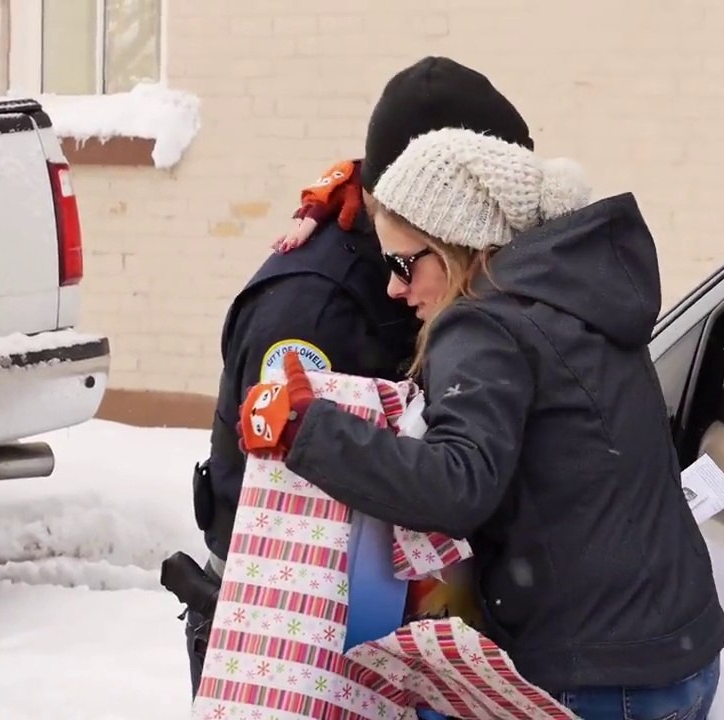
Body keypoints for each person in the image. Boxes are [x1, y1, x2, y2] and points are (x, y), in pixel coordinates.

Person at [237, 127, 724, 719]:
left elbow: (456, 483)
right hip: (676, 651)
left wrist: (308, 431)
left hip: (597, 676)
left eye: (402, 263)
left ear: (457, 246)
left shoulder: (484, 327)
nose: (393, 287)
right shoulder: (577, 296)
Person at [175, 55, 538, 699]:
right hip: (293, 629)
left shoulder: (427, 258)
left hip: (376, 610)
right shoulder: (316, 307)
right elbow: (285, 497)